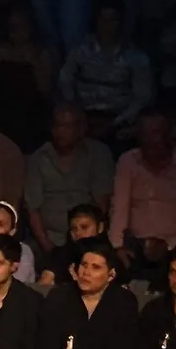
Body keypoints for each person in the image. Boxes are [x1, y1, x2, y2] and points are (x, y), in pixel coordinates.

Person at [110, 110, 176, 276]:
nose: (151, 139)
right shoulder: (128, 162)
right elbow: (119, 206)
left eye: (156, 132)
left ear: (169, 134)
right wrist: (118, 247)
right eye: (145, 134)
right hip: (133, 247)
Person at [58, 0, 153, 144]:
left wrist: (118, 122)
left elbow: (142, 97)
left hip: (118, 120)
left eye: (112, 20)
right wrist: (76, 112)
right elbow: (65, 80)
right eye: (102, 19)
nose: (106, 25)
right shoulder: (79, 51)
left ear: (122, 23)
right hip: (82, 116)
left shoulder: (137, 58)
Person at [25, 104, 115, 255]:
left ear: (81, 128)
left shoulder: (98, 154)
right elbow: (32, 208)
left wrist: (90, 241)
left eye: (67, 126)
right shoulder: (38, 158)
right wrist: (47, 246)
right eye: (57, 126)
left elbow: (102, 204)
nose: (60, 131)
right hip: (49, 240)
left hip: (88, 238)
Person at [0, 7, 54, 155]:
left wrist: (34, 63)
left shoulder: (41, 54)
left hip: (31, 123)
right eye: (13, 27)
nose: (16, 32)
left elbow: (47, 92)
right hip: (1, 121)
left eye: (22, 27)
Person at [38, 204, 110, 285]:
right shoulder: (59, 255)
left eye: (84, 227)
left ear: (100, 227)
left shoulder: (110, 258)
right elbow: (44, 283)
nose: (78, 233)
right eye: (74, 229)